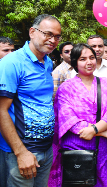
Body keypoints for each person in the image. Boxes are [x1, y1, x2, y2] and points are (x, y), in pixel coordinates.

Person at [49, 43, 107, 187]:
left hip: (105, 148)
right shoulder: (66, 88)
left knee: (106, 181)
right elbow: (69, 120)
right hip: (77, 146)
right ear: (74, 62)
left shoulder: (106, 84)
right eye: (83, 59)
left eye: (91, 57)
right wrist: (101, 132)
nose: (89, 62)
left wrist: (95, 130)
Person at [0, 14, 61, 187]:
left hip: (45, 149)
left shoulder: (47, 62)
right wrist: (21, 153)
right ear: (32, 32)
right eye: (48, 34)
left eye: (57, 36)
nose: (53, 40)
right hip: (21, 151)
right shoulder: (12, 63)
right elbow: (1, 110)